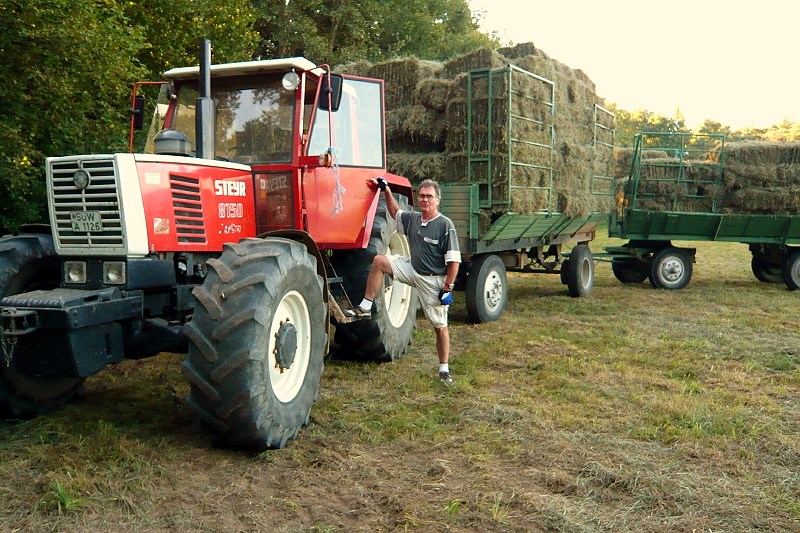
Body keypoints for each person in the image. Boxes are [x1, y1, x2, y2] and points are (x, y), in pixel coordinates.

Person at [355, 178, 461, 385]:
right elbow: (395, 213)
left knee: (440, 327)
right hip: (413, 270)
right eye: (421, 196)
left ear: (437, 200)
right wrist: (386, 190)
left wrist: (448, 288)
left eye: (429, 196)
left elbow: (454, 261)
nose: (424, 200)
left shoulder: (444, 225)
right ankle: (366, 305)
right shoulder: (413, 219)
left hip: (434, 280)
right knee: (379, 261)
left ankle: (444, 369)